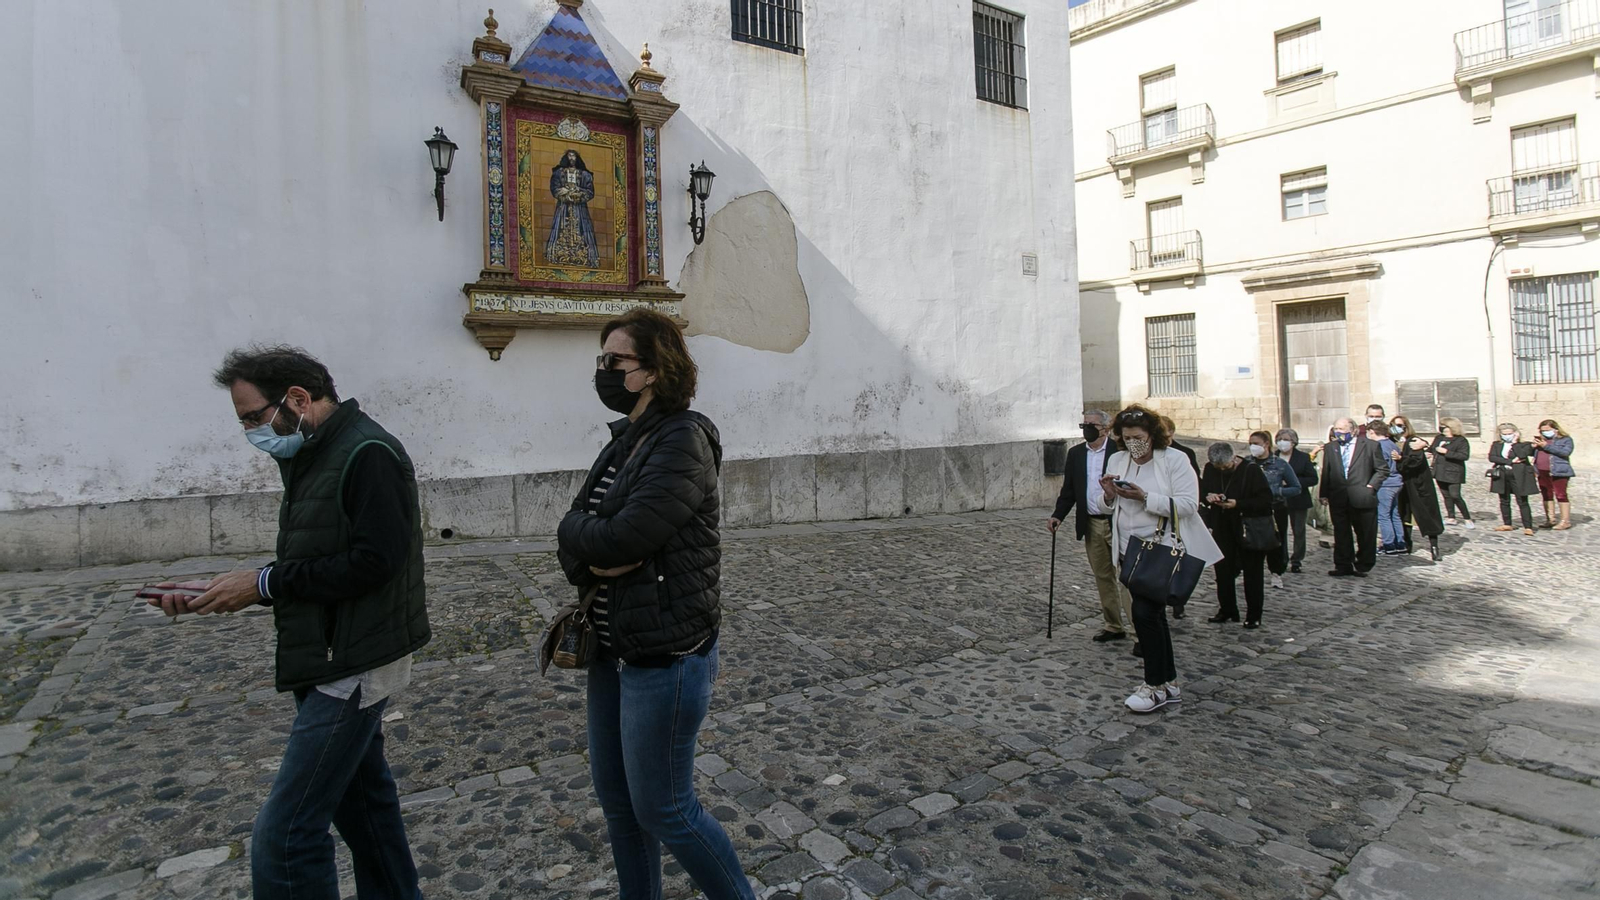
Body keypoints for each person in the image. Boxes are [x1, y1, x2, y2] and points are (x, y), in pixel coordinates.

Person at [147, 346, 430, 900]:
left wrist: (263, 583)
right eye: (244, 422)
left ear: (298, 399)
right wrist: (227, 591)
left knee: (284, 837)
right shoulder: (313, 453)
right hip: (327, 651)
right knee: (366, 813)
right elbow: (316, 561)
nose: (252, 431)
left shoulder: (367, 452)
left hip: (352, 664)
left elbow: (376, 562)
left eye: (255, 416)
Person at [555, 309, 755, 900]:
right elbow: (573, 532)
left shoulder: (683, 439)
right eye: (602, 360)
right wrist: (583, 540)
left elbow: (625, 537)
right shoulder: (625, 441)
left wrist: (586, 536)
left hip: (665, 655)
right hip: (611, 649)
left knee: (666, 808)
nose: (604, 371)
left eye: (615, 361)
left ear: (653, 370)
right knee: (620, 808)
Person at [1102, 406, 1223, 713]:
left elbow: (1187, 505)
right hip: (1128, 550)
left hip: (1159, 550)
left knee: (1144, 614)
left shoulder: (1175, 460)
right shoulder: (1118, 459)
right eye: (1127, 437)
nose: (1134, 444)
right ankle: (1168, 682)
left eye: (1139, 437)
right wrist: (1109, 494)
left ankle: (1154, 685)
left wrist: (1144, 497)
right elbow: (1108, 507)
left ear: (1152, 435)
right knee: (1151, 617)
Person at [1049, 409, 1134, 646]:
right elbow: (1069, 490)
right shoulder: (1076, 454)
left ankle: (1139, 631)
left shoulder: (1120, 451)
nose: (1087, 428)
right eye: (1084, 424)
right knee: (1103, 575)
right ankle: (1113, 625)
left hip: (1118, 522)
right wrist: (1058, 515)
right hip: (1092, 522)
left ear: (1105, 429)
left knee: (1127, 578)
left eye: (1092, 424)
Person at [1201, 441, 1274, 628]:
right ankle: (1227, 609)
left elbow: (1265, 501)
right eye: (1219, 468)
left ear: (1234, 458)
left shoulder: (1251, 471)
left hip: (1247, 526)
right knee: (1223, 571)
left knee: (1252, 573)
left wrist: (1238, 504)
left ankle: (1253, 614)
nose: (1223, 470)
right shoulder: (1210, 469)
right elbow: (1204, 491)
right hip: (1222, 526)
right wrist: (1209, 497)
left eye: (1226, 467)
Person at [1320, 417, 1387, 577]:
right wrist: (1324, 493)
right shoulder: (1331, 447)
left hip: (1362, 496)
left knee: (1365, 533)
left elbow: (1382, 470)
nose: (1339, 432)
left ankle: (1363, 564)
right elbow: (1327, 471)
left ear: (1353, 430)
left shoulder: (1370, 446)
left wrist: (1371, 486)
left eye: (1343, 429)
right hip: (1339, 497)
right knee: (1341, 532)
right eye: (1337, 429)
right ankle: (1343, 564)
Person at [1249, 430, 1301, 588]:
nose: (1252, 447)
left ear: (1266, 444)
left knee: (1276, 543)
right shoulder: (1247, 463)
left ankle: (1276, 572)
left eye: (1256, 444)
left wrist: (1277, 492)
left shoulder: (1279, 464)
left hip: (1275, 509)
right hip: (1251, 508)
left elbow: (1296, 487)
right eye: (1250, 444)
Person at [1393, 418, 1445, 561]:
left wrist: (1400, 459)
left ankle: (1434, 546)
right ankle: (1407, 543)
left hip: (1417, 483)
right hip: (1402, 484)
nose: (1396, 428)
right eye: (1393, 425)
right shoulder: (1391, 441)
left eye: (1399, 425)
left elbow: (1414, 462)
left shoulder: (1414, 441)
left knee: (1427, 514)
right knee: (1404, 514)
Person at [1274, 429, 1318, 574]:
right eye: (1280, 438)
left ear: (1293, 442)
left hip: (1298, 499)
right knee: (1280, 531)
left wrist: (1293, 482)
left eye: (1285, 439)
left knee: (1298, 530)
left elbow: (1313, 478)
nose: (1282, 441)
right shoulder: (1273, 457)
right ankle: (1282, 558)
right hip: (1278, 500)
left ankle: (1297, 560)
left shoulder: (1303, 458)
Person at [1489, 422, 1539, 536]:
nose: (1507, 435)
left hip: (1518, 475)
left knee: (1522, 501)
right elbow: (1492, 457)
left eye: (1510, 433)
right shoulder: (1496, 444)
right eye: (1504, 434)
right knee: (1504, 500)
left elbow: (1522, 455)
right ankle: (1507, 523)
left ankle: (1528, 526)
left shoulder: (1523, 445)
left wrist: (1515, 442)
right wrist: (1510, 461)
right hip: (1502, 474)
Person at [1430, 416, 1474, 529]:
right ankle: (1451, 516)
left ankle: (1467, 518)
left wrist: (1446, 452)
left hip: (1453, 471)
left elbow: (1464, 456)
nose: (1443, 429)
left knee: (1455, 495)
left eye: (1445, 427)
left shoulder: (1460, 440)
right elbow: (1431, 448)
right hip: (1439, 470)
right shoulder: (1439, 438)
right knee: (1446, 495)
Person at [1532, 419, 1576, 530]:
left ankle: (1565, 521)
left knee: (1561, 494)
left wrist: (1546, 446)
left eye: (1548, 430)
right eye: (1542, 431)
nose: (1545, 433)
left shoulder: (1565, 440)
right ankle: (1550, 519)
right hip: (1542, 471)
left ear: (1555, 429)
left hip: (1559, 471)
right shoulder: (1541, 440)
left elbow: (1565, 452)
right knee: (1546, 495)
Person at [1373, 420, 1406, 555]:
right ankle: (1400, 544)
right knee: (1394, 514)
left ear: (1371, 432)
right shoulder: (1392, 444)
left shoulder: (1379, 446)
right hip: (1396, 482)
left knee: (1383, 515)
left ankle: (1389, 545)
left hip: (1386, 483)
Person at [1160, 414, 1202, 483]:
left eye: (1162, 431)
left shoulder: (1186, 453)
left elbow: (1194, 479)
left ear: (1171, 432)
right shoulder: (1150, 452)